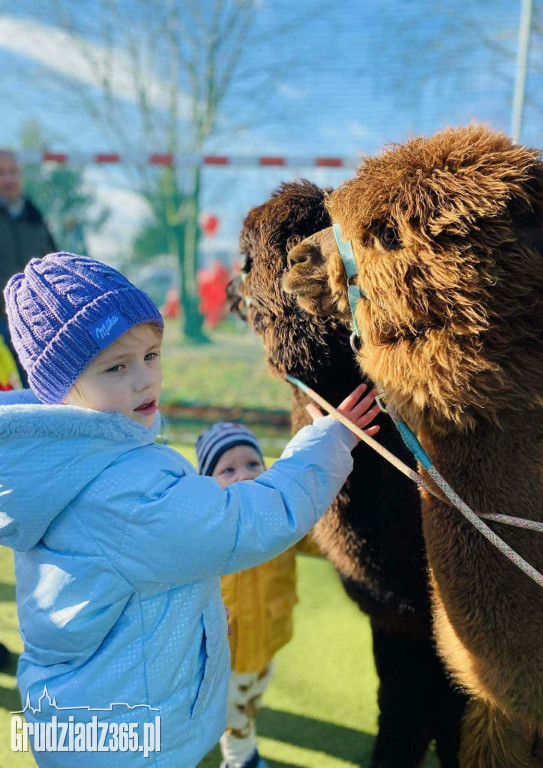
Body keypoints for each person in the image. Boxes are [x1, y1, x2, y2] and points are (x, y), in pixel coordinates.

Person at [0, 251, 380, 767]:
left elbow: (124, 580)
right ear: (60, 389)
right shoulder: (123, 491)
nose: (144, 379)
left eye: (151, 355)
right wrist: (326, 443)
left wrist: (191, 613)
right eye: (116, 366)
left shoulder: (63, 465)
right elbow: (244, 522)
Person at [197, 423, 293, 768]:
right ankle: (241, 760)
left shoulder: (282, 517)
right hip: (226, 651)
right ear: (208, 482)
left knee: (251, 697)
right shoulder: (204, 530)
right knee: (234, 713)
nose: (244, 475)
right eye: (228, 470)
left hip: (265, 640)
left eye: (253, 464)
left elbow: (317, 533)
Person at [0, 150, 57, 385]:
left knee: (41, 385)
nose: (8, 179)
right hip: (1, 321)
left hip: (35, 320)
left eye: (13, 172)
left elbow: (52, 263)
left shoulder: (35, 218)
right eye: (1, 173)